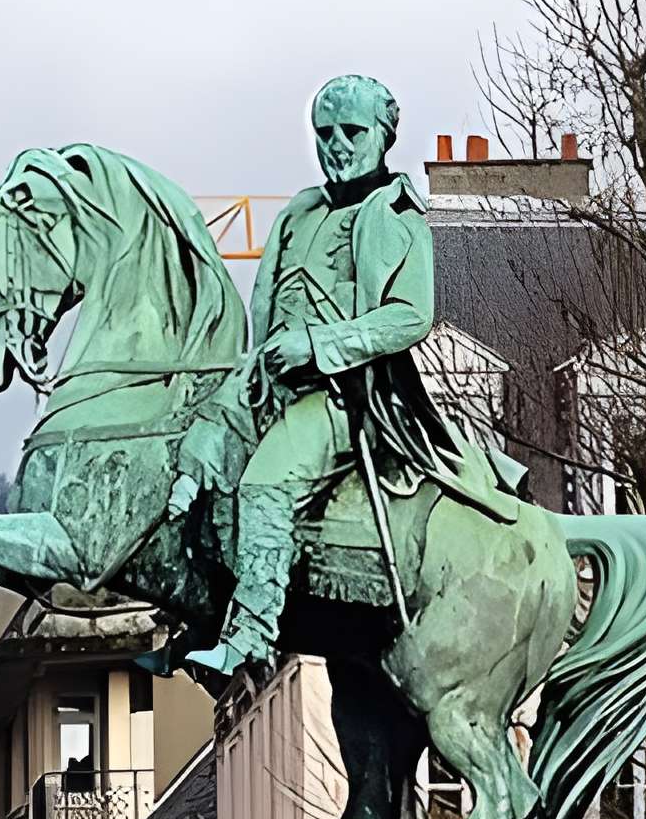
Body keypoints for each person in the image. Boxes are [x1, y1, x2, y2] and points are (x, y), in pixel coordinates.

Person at [169, 72, 509, 687]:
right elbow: (265, 305)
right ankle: (189, 619)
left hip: (345, 396)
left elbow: (410, 316)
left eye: (352, 131)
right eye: (324, 132)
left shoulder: (397, 213)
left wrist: (319, 344)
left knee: (265, 484)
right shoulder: (298, 212)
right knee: (191, 458)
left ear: (383, 136)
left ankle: (249, 640)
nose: (337, 144)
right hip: (272, 381)